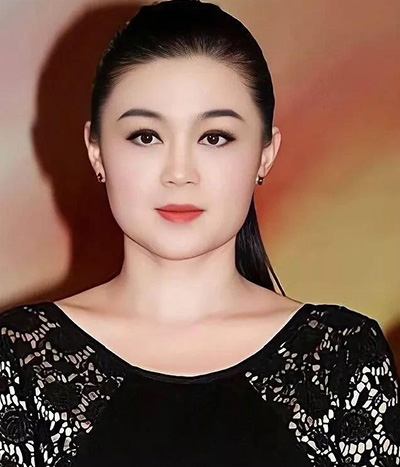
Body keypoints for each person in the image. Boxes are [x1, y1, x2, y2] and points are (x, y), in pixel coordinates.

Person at [1, 0, 399, 465]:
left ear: (265, 155)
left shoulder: (342, 357)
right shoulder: (21, 359)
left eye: (214, 137)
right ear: (97, 152)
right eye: (146, 136)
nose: (179, 173)